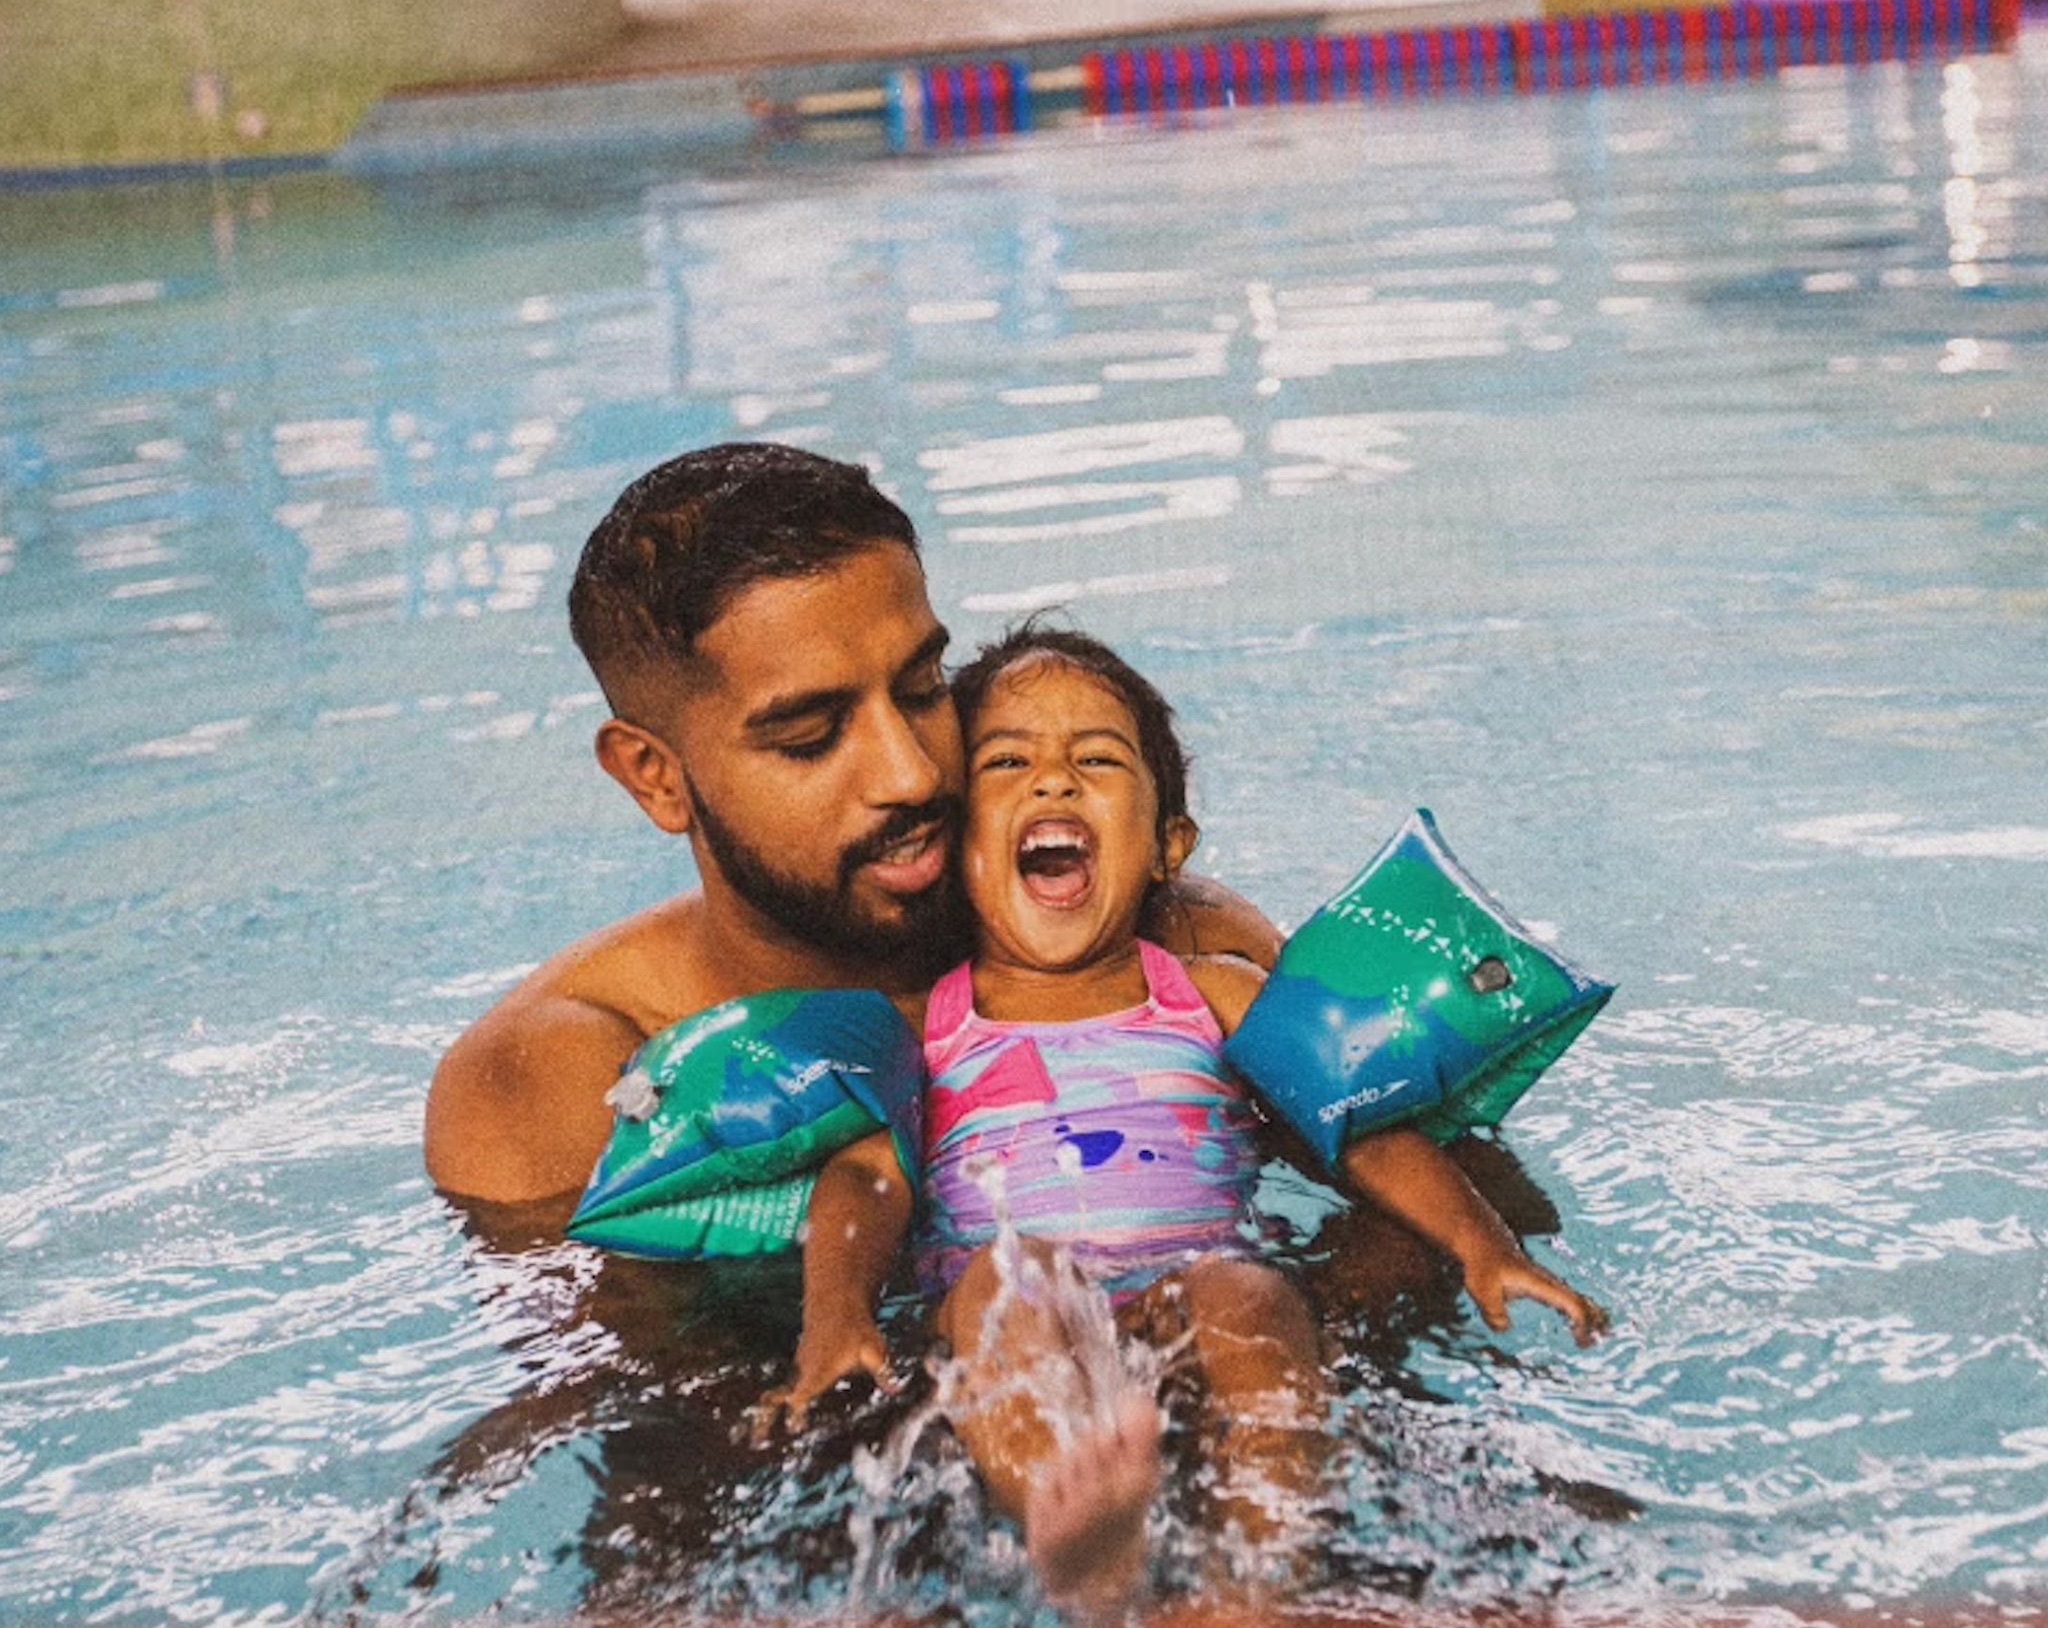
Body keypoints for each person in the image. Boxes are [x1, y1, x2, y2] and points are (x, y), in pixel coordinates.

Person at [760, 624, 1609, 1617]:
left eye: (1096, 761)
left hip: (1189, 1301)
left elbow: (1350, 1124)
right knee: (1008, 1278)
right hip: (1026, 1317)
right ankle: (1081, 1539)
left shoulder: (1211, 994)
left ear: (1168, 846)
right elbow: (863, 1178)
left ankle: (1252, 1583)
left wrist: (1480, 1241)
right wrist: (835, 1319)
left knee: (1247, 1294)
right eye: (1007, 762)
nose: (1053, 783)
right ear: (953, 850)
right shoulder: (922, 1031)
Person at [422, 442, 1279, 1222]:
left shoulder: (1173, 948)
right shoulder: (557, 1080)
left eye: (920, 688)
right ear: (657, 776)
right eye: (811, 736)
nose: (910, 774)